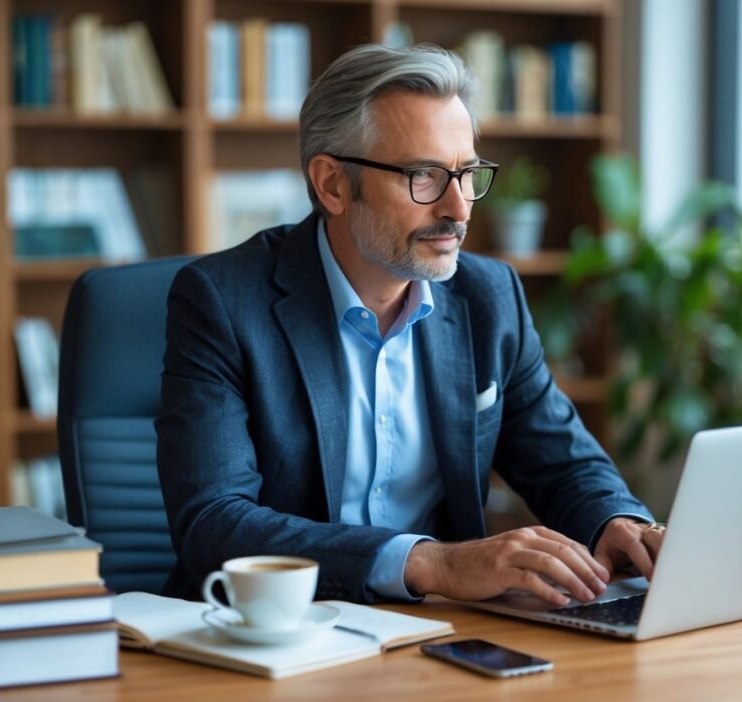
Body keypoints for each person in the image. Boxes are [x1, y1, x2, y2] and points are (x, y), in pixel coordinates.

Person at [156, 43, 665, 607]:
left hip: (446, 635)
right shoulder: (224, 302)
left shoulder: (489, 296)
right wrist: (430, 561)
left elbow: (560, 457)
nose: (460, 208)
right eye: (423, 176)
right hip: (277, 637)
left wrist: (615, 520)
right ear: (332, 185)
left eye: (467, 173)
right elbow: (213, 522)